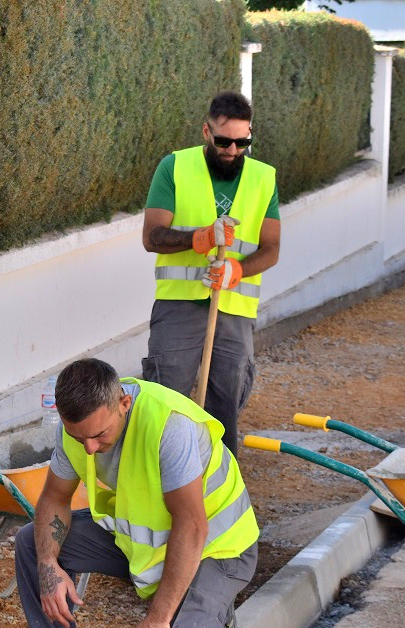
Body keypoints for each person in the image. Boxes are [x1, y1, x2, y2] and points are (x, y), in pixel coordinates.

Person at [0, 358, 259, 628]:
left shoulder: (168, 425)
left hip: (217, 550)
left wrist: (157, 621)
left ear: (124, 404)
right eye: (80, 438)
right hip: (142, 544)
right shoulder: (77, 432)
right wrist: (48, 566)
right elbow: (53, 500)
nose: (89, 448)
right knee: (32, 544)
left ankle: (217, 619)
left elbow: (192, 526)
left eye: (99, 435)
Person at [142, 91, 281, 456]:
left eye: (242, 141)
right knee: (164, 400)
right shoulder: (174, 167)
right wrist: (199, 238)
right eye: (224, 141)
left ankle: (219, 490)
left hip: (233, 307)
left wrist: (237, 270)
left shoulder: (264, 178)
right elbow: (152, 237)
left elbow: (271, 249)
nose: (233, 149)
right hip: (178, 307)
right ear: (206, 131)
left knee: (225, 405)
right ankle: (163, 482)